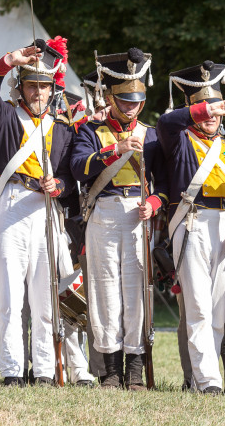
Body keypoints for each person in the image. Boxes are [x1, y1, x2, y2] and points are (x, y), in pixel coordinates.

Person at [0, 38, 76, 386]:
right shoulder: (5, 115)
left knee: (46, 297)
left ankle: (45, 371)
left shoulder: (63, 128)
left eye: (44, 86)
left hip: (45, 209)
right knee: (10, 296)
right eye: (32, 85)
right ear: (20, 88)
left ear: (52, 90)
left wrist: (59, 186)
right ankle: (12, 371)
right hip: (12, 202)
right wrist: (8, 61)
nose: (38, 93)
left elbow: (68, 174)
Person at [70, 48, 167, 390]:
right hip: (105, 209)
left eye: (136, 100)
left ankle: (135, 369)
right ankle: (111, 369)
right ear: (110, 96)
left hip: (138, 213)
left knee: (136, 290)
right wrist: (116, 149)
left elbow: (166, 184)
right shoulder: (91, 130)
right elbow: (79, 168)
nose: (131, 106)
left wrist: (155, 202)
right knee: (105, 289)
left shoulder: (153, 133)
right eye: (124, 100)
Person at [157, 59, 225, 394]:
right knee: (196, 305)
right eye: (203, 109)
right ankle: (208, 380)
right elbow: (165, 123)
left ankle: (203, 378)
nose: (211, 116)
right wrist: (202, 109)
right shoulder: (180, 140)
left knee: (215, 308)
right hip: (192, 220)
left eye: (216, 110)